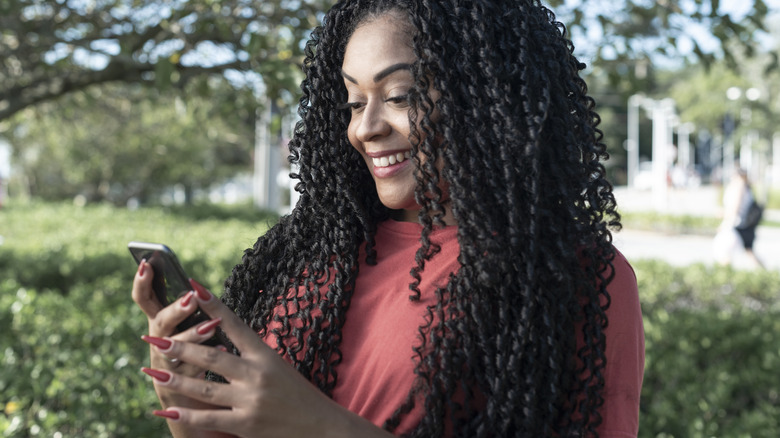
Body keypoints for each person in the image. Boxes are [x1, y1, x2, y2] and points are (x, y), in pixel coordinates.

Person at [131, 0, 645, 436]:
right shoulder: (314, 256)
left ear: (490, 97)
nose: (365, 128)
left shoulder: (574, 275)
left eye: (399, 96)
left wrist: (315, 422)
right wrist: (195, 409)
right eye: (355, 102)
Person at [714, 168, 765, 269]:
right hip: (744, 227)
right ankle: (766, 275)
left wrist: (723, 219)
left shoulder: (739, 187)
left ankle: (725, 278)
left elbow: (734, 209)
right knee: (748, 252)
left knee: (722, 252)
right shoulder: (746, 187)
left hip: (736, 226)